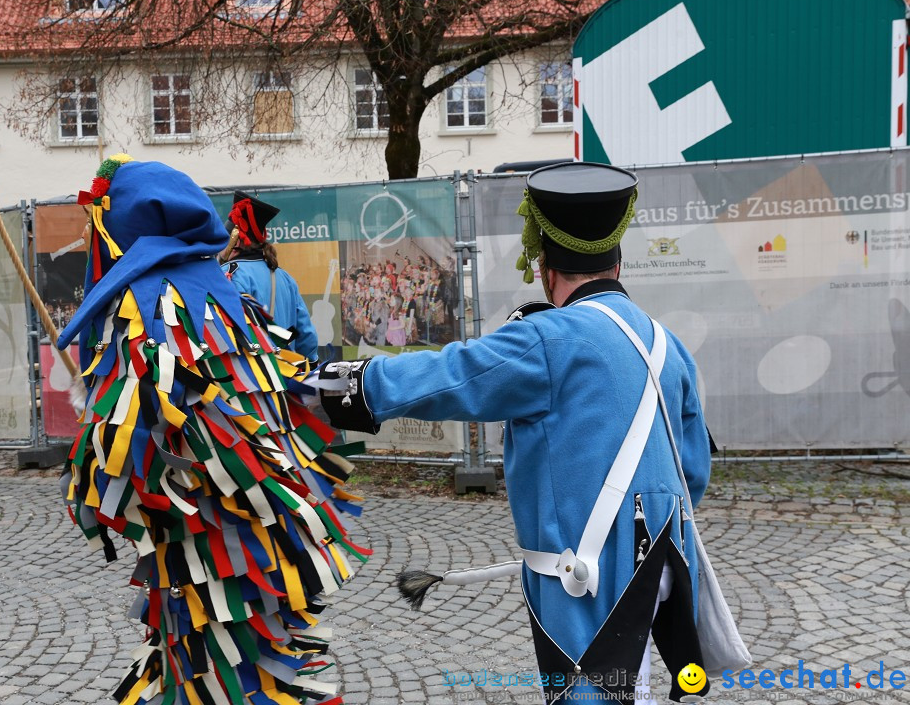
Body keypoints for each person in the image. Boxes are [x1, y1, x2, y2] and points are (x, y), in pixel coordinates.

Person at [318, 162, 715, 703]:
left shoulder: (549, 337)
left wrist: (331, 386)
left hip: (590, 570)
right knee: (634, 689)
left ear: (546, 266)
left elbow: (449, 375)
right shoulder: (669, 345)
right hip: (664, 560)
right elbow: (692, 472)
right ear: (618, 260)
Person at [56, 156, 369, 705]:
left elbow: (124, 445)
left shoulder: (146, 308)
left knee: (213, 669)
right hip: (268, 520)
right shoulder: (234, 299)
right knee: (260, 660)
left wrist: (90, 485)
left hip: (203, 534)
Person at [219, 192, 320, 362]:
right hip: (287, 375)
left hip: (253, 378)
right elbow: (307, 336)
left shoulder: (229, 273)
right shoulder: (285, 277)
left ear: (235, 241)